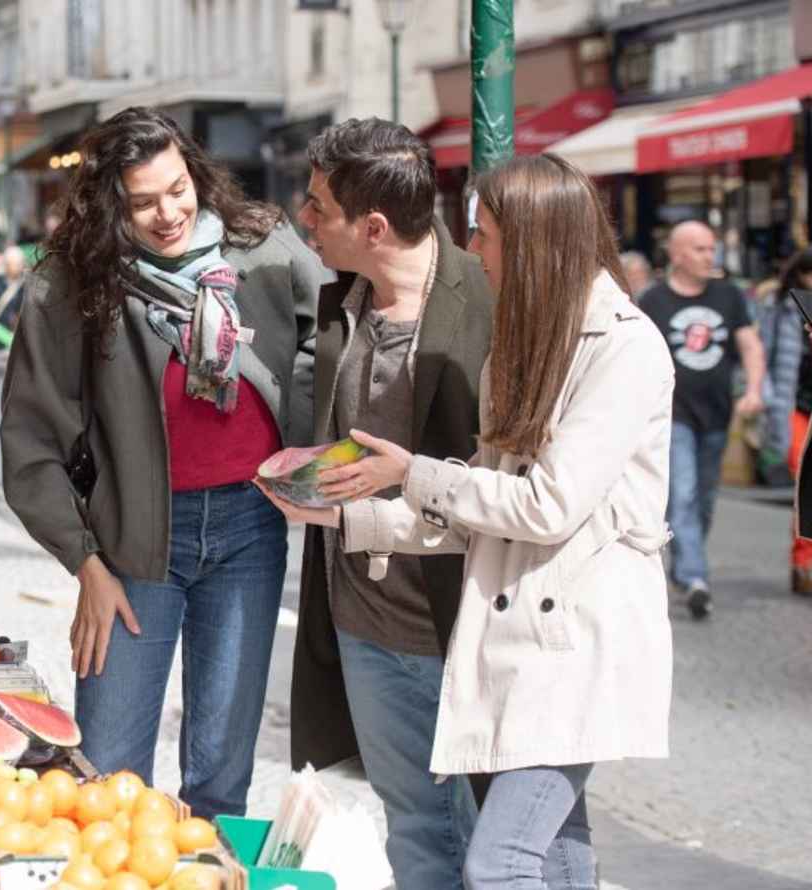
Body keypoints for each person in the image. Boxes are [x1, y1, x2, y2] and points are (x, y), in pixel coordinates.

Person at [266, 152, 675, 890]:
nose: (474, 250)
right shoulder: (518, 349)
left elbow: (546, 505)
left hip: (571, 645)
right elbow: (474, 517)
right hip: (513, 648)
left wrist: (413, 472)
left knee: (500, 861)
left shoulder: (625, 346)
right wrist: (344, 517)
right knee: (556, 851)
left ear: (533, 241)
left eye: (484, 234)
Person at [0, 107, 328, 819]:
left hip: (250, 530)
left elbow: (329, 328)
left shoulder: (260, 246)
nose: (168, 213)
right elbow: (30, 441)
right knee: (108, 774)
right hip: (131, 549)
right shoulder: (71, 283)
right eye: (143, 200)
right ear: (110, 199)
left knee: (221, 775)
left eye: (178, 189)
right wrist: (86, 562)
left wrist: (297, 437)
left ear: (197, 174)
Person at [290, 117, 494, 889]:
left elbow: (507, 481)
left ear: (373, 226)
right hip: (362, 624)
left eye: (318, 207)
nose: (304, 220)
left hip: (458, 624)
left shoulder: (486, 299)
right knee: (412, 824)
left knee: (493, 844)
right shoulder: (342, 299)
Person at [638, 221, 766, 618]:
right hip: (674, 415)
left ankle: (685, 564)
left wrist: (754, 390)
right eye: (699, 249)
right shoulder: (653, 300)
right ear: (676, 254)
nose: (710, 256)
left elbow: (750, 346)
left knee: (705, 499)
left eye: (712, 249)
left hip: (717, 414)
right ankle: (695, 577)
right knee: (684, 494)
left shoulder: (728, 296)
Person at [758, 250, 812, 492]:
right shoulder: (779, 304)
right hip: (793, 394)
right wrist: (762, 387)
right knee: (800, 461)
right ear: (802, 274)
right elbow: (763, 348)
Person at [774, 250, 812, 592]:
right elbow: (770, 356)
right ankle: (803, 561)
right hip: (797, 406)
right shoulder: (785, 310)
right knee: (804, 479)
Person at [0, 245, 28, 329]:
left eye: (19, 264)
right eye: (14, 264)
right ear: (6, 264)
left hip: (11, 330)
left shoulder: (25, 284)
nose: (17, 267)